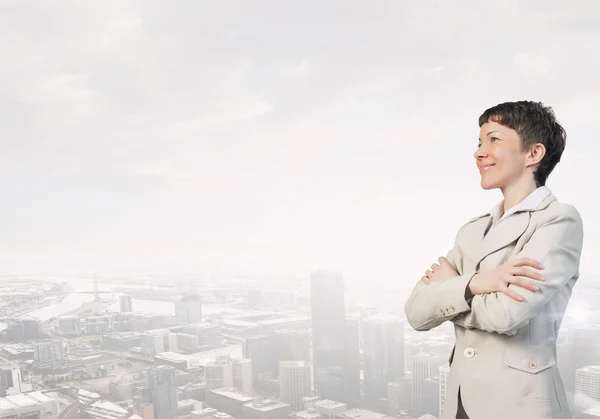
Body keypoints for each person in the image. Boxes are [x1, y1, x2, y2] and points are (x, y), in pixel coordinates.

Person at [404, 101, 583, 419]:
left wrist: (453, 289)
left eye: (494, 139)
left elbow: (506, 315)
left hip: (519, 405)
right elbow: (416, 312)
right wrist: (477, 283)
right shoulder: (471, 230)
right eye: (479, 142)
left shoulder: (557, 221)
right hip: (460, 404)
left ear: (533, 154)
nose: (479, 152)